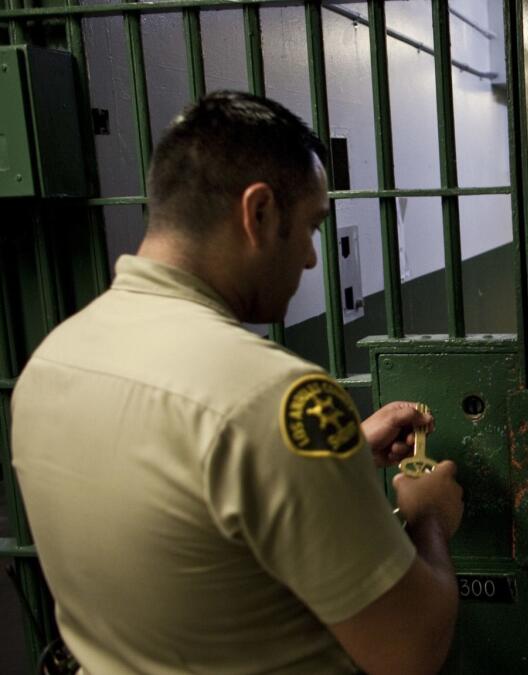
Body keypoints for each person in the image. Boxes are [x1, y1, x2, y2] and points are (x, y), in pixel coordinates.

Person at [11, 91, 463, 675]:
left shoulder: (52, 360)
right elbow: (410, 651)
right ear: (259, 213)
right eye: (311, 227)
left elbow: (186, 513)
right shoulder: (277, 397)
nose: (308, 258)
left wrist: (339, 455)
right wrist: (426, 517)